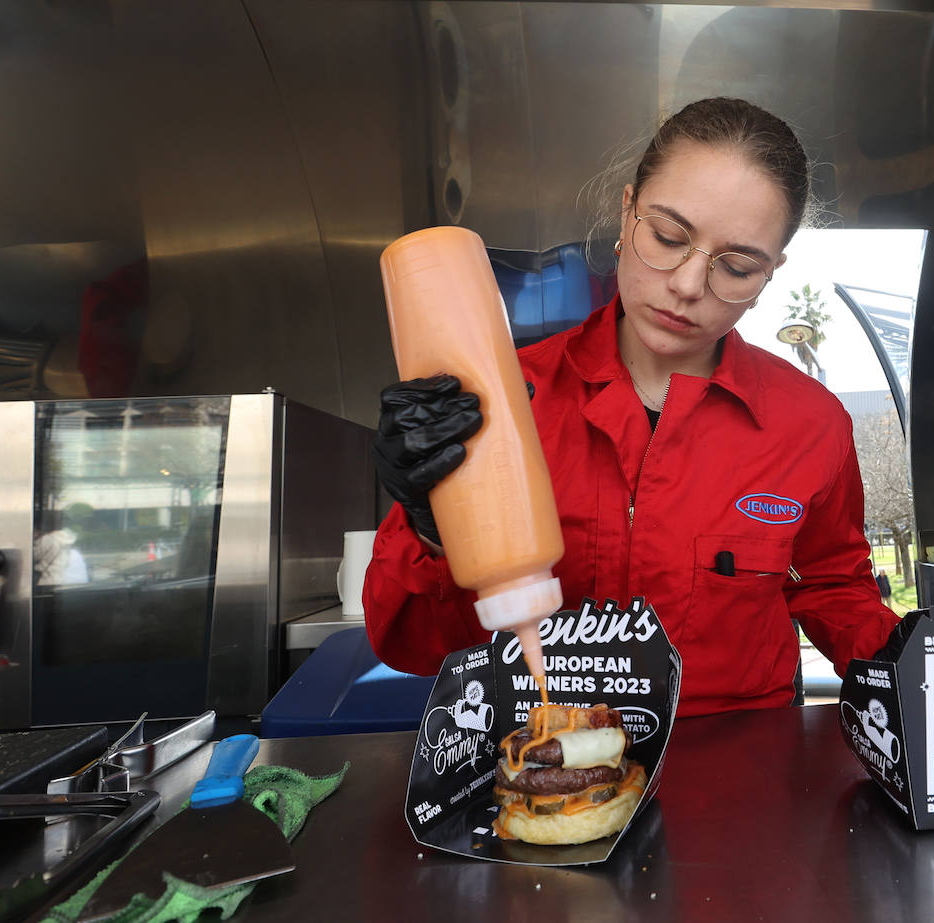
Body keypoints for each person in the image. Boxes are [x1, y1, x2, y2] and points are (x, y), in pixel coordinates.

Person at [364, 97, 900, 717]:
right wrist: (430, 535)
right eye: (668, 237)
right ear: (626, 214)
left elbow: (835, 587)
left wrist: (902, 660)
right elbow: (405, 642)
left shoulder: (809, 423)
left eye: (737, 266)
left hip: (737, 778)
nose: (688, 285)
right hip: (544, 772)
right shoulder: (506, 401)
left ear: (772, 274)